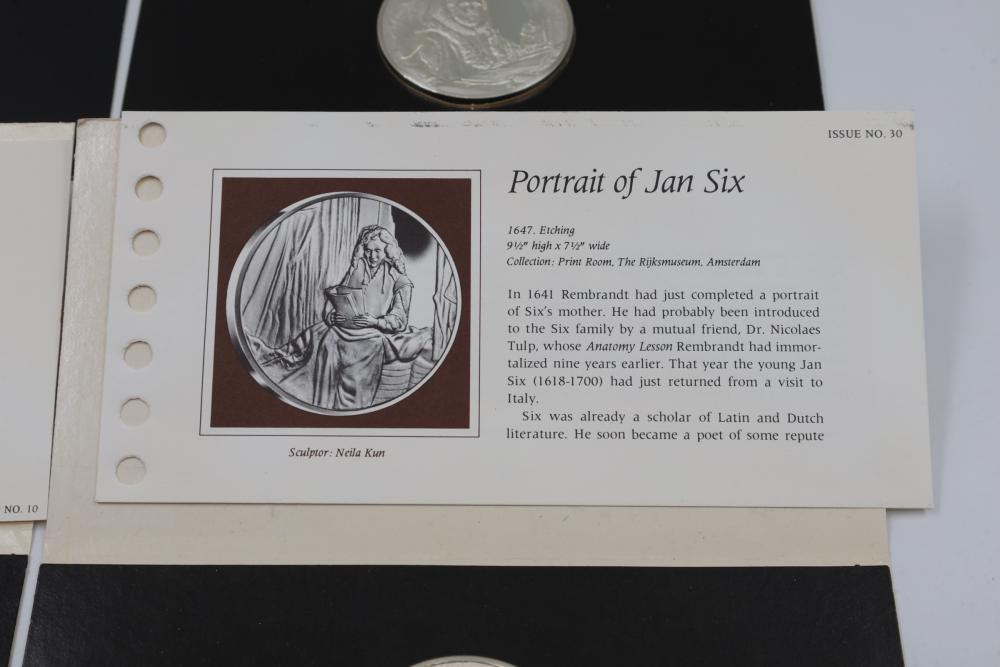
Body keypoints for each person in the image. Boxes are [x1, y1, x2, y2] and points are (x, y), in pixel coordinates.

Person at [256, 225, 431, 411]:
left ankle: (349, 405)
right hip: (346, 327)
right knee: (321, 333)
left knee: (359, 346)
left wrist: (375, 321)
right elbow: (337, 296)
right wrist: (332, 316)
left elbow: (400, 320)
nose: (372, 256)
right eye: (368, 251)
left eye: (377, 251)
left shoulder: (400, 280)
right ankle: (316, 396)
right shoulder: (357, 269)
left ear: (387, 251)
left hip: (374, 334)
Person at [402, 0, 554, 85]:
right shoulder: (430, 41)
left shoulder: (487, 32)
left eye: (477, 5)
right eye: (464, 5)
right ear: (447, 7)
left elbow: (511, 54)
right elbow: (443, 85)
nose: (472, 10)